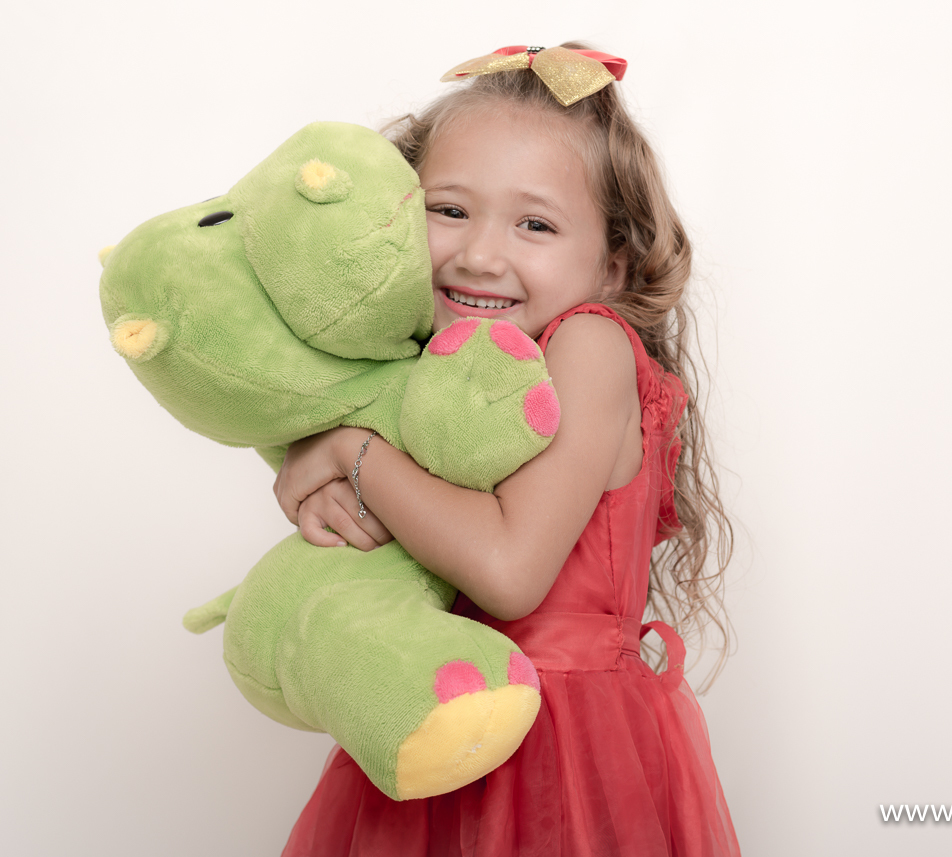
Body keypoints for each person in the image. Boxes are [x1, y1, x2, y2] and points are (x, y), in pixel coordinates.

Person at [272, 42, 740, 857]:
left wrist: (355, 453)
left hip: (560, 750)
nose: (481, 255)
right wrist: (317, 486)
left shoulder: (588, 344)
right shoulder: (436, 379)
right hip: (437, 724)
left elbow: (508, 569)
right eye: (449, 210)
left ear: (612, 266)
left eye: (535, 224)